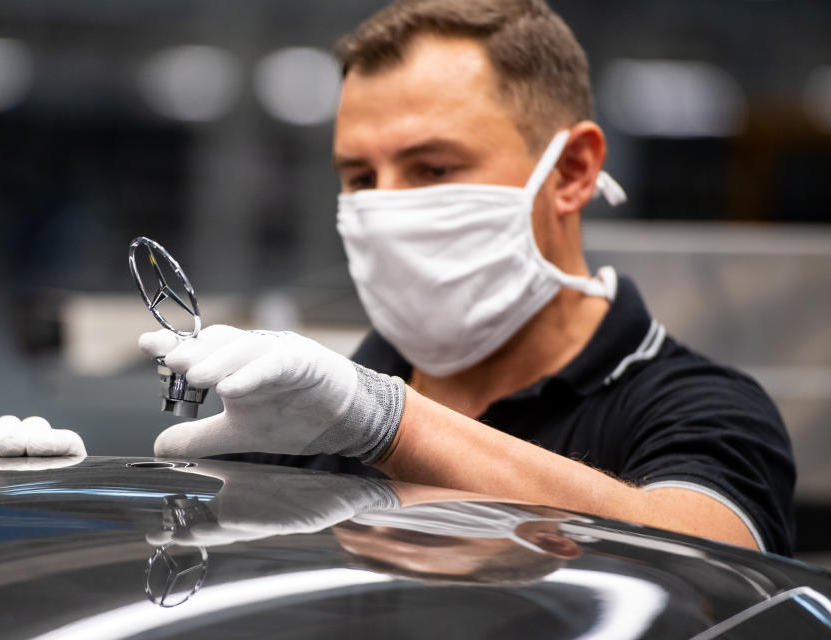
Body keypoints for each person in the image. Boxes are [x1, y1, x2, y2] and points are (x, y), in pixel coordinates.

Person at [139, 0, 795, 555]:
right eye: (361, 179)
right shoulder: (306, 417)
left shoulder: (699, 408)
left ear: (572, 172)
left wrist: (389, 426)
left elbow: (709, 560)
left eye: (432, 168)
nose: (383, 208)